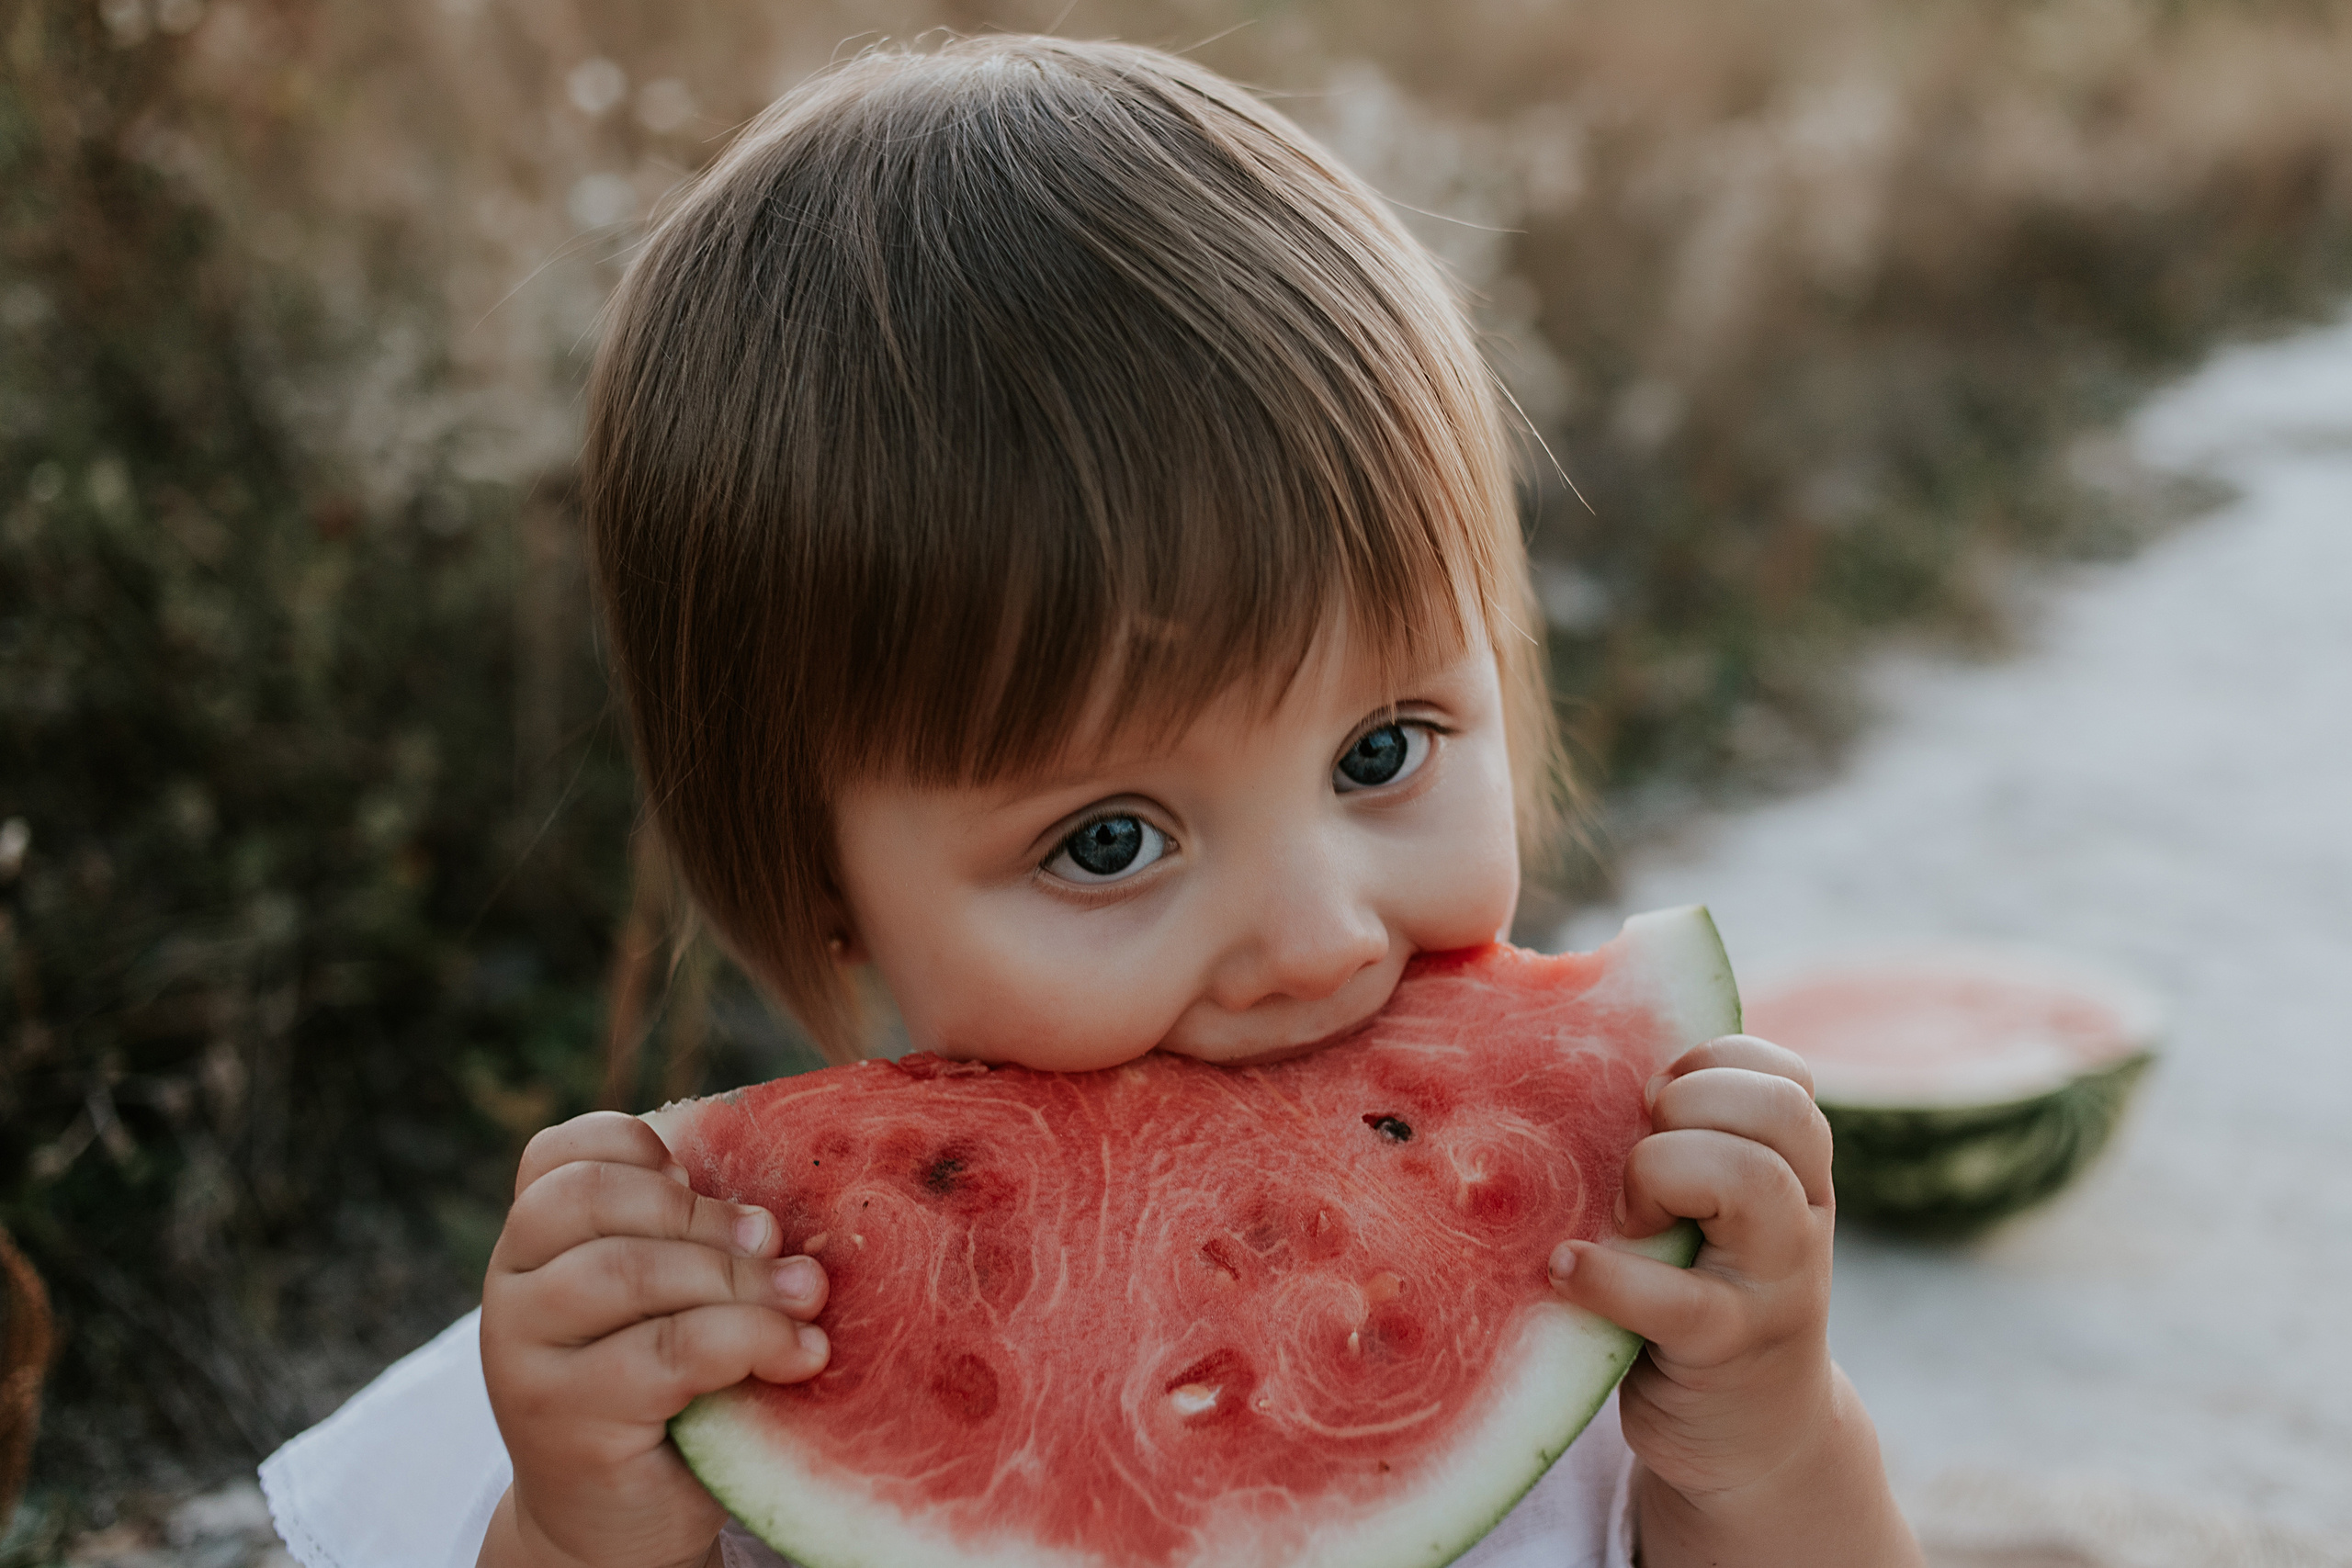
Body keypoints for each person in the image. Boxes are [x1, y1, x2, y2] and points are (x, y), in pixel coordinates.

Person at [260, 35, 1925, 1568]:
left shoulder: (1593, 1270)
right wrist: (583, 1527)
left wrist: (1769, 1453)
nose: (1317, 938)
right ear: (818, 880)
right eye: (1108, 842)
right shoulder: (721, 1338)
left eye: (1380, 752)